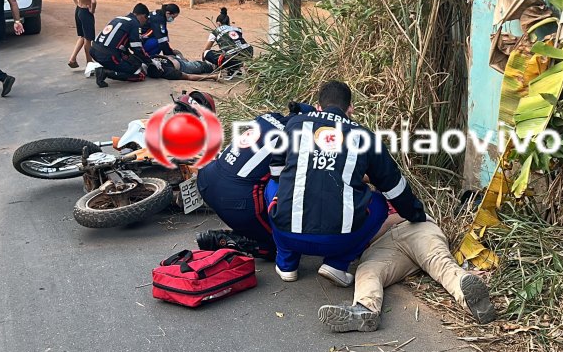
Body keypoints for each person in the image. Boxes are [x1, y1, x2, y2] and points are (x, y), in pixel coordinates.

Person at [269, 81, 426, 287]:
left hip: (287, 232)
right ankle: (337, 264)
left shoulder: (295, 125)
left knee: (272, 187)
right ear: (350, 108)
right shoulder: (365, 138)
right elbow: (393, 187)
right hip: (339, 240)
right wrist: (416, 214)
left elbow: (276, 170)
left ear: (318, 107)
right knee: (378, 202)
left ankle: (287, 263)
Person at [317, 215, 497, 332]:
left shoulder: (386, 188)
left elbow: (407, 209)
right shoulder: (345, 204)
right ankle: (364, 310)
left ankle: (472, 297)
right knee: (367, 270)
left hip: (415, 226)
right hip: (382, 246)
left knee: (438, 260)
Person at [195, 101, 317, 261]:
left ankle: (247, 230)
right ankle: (232, 240)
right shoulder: (295, 137)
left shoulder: (267, 117)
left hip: (205, 179)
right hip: (236, 201)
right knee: (282, 245)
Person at [88, 4, 152, 88]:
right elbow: (137, 48)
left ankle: (109, 68)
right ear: (143, 16)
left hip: (94, 51)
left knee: (127, 61)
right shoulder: (134, 24)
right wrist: (149, 61)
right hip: (108, 56)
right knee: (140, 75)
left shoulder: (118, 19)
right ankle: (105, 72)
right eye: (146, 18)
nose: (145, 22)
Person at [68, 0, 104, 69]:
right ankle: (90, 63)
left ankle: (72, 58)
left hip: (79, 10)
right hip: (86, 13)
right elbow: (93, 1)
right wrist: (92, 10)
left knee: (82, 36)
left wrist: (77, 4)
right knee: (88, 39)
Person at [203, 7, 253, 77]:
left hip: (232, 57)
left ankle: (233, 66)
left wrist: (203, 56)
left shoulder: (215, 32)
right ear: (228, 22)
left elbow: (206, 49)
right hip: (248, 51)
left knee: (207, 53)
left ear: (218, 23)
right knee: (228, 51)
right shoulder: (238, 29)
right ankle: (238, 66)